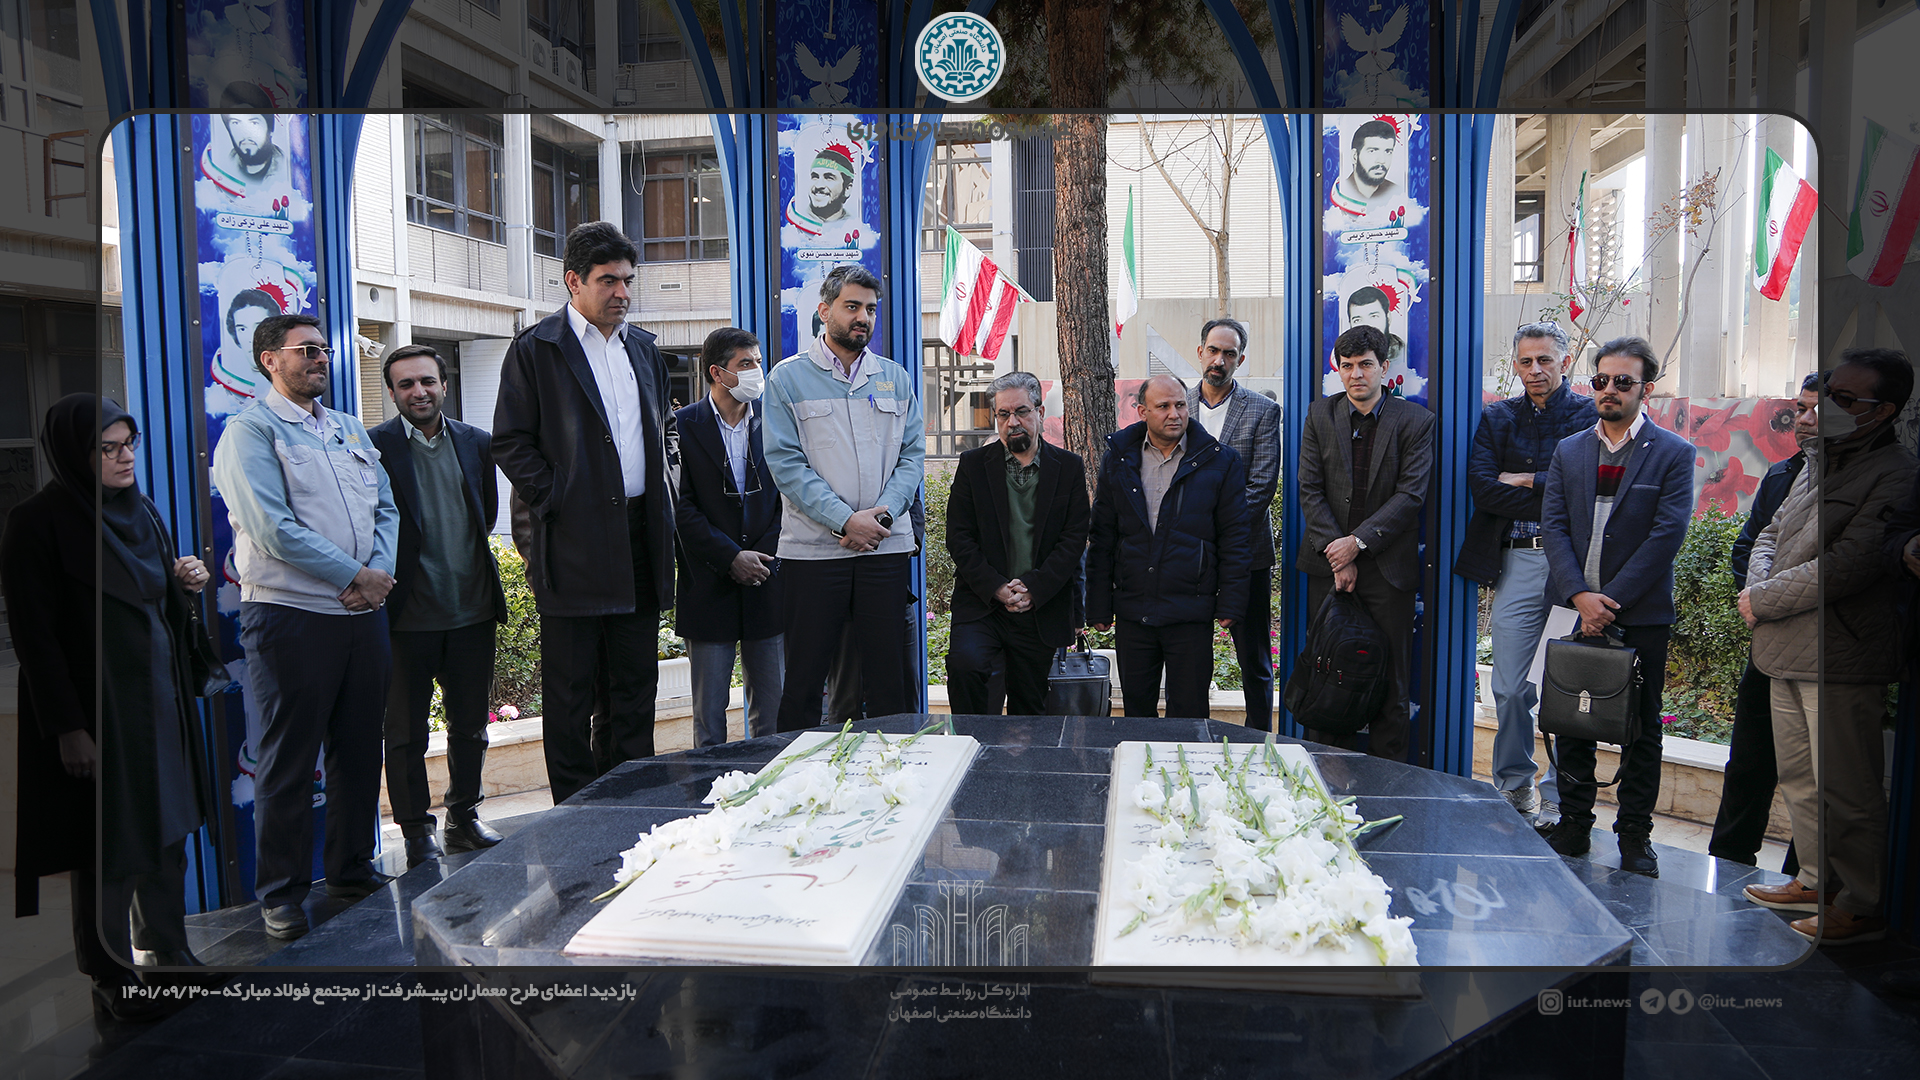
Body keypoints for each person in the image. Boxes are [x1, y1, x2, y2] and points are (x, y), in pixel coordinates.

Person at [3, 396, 218, 1020]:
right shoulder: (37, 522)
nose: (125, 458)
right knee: (109, 843)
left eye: (129, 444)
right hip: (102, 711)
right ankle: (110, 973)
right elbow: (35, 637)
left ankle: (169, 949)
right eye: (107, 448)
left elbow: (149, 598)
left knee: (170, 826)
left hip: (159, 699)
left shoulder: (141, 510)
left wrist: (181, 582)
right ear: (76, 453)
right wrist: (68, 728)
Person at [209, 312, 398, 939]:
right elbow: (271, 528)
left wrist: (377, 573)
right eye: (306, 350)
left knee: (359, 748)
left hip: (362, 614)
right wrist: (355, 575)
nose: (320, 358)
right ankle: (282, 893)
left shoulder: (347, 427)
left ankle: (350, 869)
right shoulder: (250, 431)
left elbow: (387, 508)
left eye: (324, 349)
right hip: (290, 616)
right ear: (270, 360)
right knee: (288, 760)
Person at [493, 221, 679, 804]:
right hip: (572, 541)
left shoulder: (643, 348)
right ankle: (575, 813)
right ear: (574, 281)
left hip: (640, 537)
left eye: (628, 280)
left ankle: (633, 801)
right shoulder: (537, 349)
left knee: (634, 685)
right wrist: (560, 500)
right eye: (608, 281)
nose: (622, 292)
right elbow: (511, 442)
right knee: (571, 693)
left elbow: (660, 433)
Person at [1740, 350, 1917, 944]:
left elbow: (1847, 566)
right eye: (1824, 396)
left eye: (1844, 400)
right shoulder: (1818, 463)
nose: (1821, 411)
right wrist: (1757, 589)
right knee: (1800, 778)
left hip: (1842, 654)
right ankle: (1815, 881)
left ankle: (1861, 904)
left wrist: (1762, 599)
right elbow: (1768, 533)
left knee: (1848, 788)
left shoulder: (1895, 472)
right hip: (1783, 647)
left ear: (1882, 411)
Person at [1538, 336, 1694, 878]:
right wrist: (1580, 596)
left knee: (1642, 728)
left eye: (1622, 381)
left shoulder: (1674, 453)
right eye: (1601, 380)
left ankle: (1634, 837)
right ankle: (1573, 826)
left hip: (1639, 614)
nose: (1609, 389)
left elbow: (1666, 535)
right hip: (1571, 607)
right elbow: (1554, 526)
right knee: (1571, 721)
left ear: (1646, 388)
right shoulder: (1570, 450)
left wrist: (1609, 602)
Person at [1451, 322, 1598, 827]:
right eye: (1525, 361)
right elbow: (1483, 489)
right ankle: (1515, 784)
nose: (1535, 370)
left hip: (1572, 566)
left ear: (1565, 361)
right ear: (1515, 364)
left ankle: (1560, 794)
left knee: (1566, 688)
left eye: (1545, 360)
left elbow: (1583, 490)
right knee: (1511, 686)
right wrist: (1551, 487)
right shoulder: (1498, 417)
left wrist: (1528, 479)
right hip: (1517, 558)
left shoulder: (1588, 415)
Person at [764, 265, 923, 729]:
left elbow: (912, 456)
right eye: (852, 307)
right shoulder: (787, 379)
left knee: (889, 681)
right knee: (805, 680)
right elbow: (786, 464)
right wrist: (845, 520)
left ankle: (896, 766)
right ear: (824, 310)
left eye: (870, 309)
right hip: (815, 554)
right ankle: (796, 768)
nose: (863, 318)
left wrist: (881, 518)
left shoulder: (895, 378)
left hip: (883, 549)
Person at [369, 344, 509, 866]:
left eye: (427, 381)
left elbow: (485, 512)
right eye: (405, 384)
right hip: (406, 617)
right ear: (391, 393)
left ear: (444, 385)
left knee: (470, 726)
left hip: (472, 611)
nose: (419, 392)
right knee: (404, 733)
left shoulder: (477, 442)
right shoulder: (374, 446)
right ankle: (414, 832)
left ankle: (464, 817)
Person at [1295, 325, 1434, 760]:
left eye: (1365, 365)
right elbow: (1308, 488)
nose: (1356, 374)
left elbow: (1410, 495)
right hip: (1328, 565)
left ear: (1384, 367)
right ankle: (1325, 774)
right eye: (1347, 366)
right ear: (1338, 369)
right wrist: (1339, 555)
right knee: (1329, 673)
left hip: (1387, 570)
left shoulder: (1415, 421)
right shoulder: (1320, 414)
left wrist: (1356, 544)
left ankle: (1386, 779)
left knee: (1392, 685)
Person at [1087, 374, 1252, 720]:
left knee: (1189, 716)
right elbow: (1103, 535)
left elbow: (1235, 538)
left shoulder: (1220, 461)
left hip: (1190, 611)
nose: (1174, 414)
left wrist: (1231, 602)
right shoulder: (1118, 459)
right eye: (1163, 406)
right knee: (1137, 715)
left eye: (1180, 405)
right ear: (1142, 411)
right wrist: (1098, 606)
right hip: (1134, 610)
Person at [1706, 373, 1818, 871]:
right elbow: (1752, 544)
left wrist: (1766, 601)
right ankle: (1727, 862)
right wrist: (1757, 602)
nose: (1805, 420)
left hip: (1820, 649)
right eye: (1801, 408)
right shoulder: (1782, 474)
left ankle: (1805, 877)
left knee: (1814, 776)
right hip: (1769, 643)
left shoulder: (1867, 479)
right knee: (1749, 761)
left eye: (1818, 410)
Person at [946, 371, 1091, 715]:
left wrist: (1033, 589)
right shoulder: (973, 466)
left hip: (1039, 606)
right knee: (967, 668)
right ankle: (973, 744)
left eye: (1022, 412)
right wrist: (997, 587)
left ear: (1040, 413)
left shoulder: (1068, 468)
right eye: (1003, 414)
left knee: (1030, 708)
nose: (1013, 422)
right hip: (983, 603)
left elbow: (1073, 541)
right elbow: (959, 537)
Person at [674, 327, 785, 746]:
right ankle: (711, 785)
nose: (757, 371)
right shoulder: (682, 426)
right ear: (718, 373)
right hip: (708, 585)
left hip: (767, 581)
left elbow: (790, 496)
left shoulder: (776, 422)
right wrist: (730, 557)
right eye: (746, 364)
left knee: (774, 714)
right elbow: (679, 505)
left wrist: (761, 556)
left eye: (758, 362)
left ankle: (770, 780)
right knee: (709, 718)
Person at [1185, 318, 1281, 730]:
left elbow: (1261, 486)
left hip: (1247, 556)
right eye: (1213, 350)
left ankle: (1259, 740)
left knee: (1253, 658)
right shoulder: (1177, 406)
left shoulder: (1263, 410)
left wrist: (1214, 533)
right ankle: (1194, 736)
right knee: (1191, 657)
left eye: (1229, 353)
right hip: (1187, 556)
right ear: (1200, 352)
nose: (1219, 360)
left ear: (1240, 360)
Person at [1330, 118, 1401, 220]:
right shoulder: (1342, 191)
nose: (1382, 160)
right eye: (1372, 151)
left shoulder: (1396, 193)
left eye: (1388, 152)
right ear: (1355, 156)